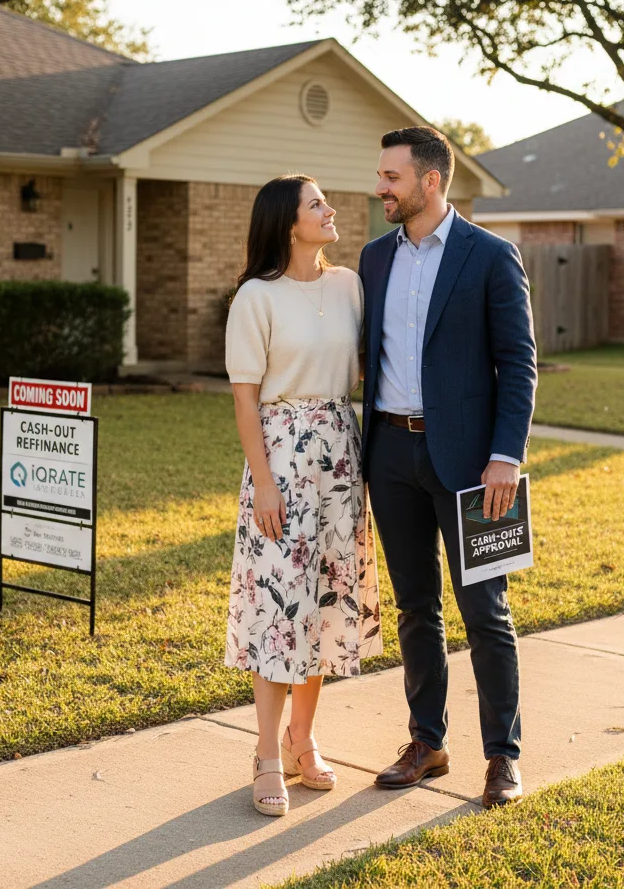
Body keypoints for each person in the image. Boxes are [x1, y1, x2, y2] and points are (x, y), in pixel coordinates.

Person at [359, 127, 537, 809]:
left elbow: (517, 365)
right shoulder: (375, 259)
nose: (382, 187)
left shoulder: (490, 256)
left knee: (486, 613)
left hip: (473, 465)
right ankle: (427, 742)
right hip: (391, 454)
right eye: (381, 175)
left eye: (392, 177)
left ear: (430, 182)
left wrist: (505, 457)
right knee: (416, 609)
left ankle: (503, 758)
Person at [224, 174, 383, 817]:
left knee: (321, 602)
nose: (330, 208)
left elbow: (375, 364)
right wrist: (263, 480)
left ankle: (302, 740)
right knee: (276, 606)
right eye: (316, 203)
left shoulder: (350, 287)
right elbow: (244, 397)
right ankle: (266, 754)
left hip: (340, 456)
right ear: (289, 224)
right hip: (281, 459)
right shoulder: (256, 299)